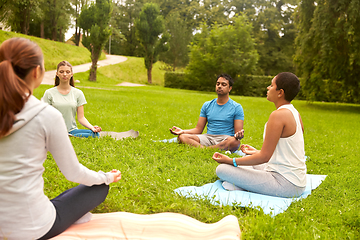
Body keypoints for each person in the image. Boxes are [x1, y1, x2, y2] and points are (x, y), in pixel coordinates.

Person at [0, 37, 122, 240]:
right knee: (99, 188)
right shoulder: (46, 115)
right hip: (34, 228)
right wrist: (106, 177)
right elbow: (73, 172)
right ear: (38, 72)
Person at [212, 72, 306, 198]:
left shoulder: (278, 115)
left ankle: (243, 184)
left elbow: (264, 157)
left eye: (271, 85)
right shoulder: (295, 112)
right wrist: (256, 152)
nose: (268, 88)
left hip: (286, 184)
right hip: (297, 181)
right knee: (248, 158)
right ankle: (245, 182)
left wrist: (230, 161)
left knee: (222, 169)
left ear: (280, 92)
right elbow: (286, 149)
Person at [169, 73, 244, 152]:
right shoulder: (207, 105)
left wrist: (239, 136)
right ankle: (208, 150)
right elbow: (198, 129)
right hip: (208, 138)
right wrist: (182, 131)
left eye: (223, 84)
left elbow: (237, 134)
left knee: (235, 142)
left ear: (230, 88)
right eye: (218, 84)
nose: (219, 86)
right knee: (182, 137)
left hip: (225, 139)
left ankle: (204, 149)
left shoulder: (237, 107)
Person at [42, 60, 101, 138]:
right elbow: (44, 116)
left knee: (95, 135)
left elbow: (81, 118)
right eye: (61, 72)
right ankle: (66, 136)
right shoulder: (49, 93)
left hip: (72, 130)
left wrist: (92, 127)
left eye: (67, 72)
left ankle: (68, 136)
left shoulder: (78, 93)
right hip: (54, 130)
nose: (65, 74)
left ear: (71, 74)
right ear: (57, 74)